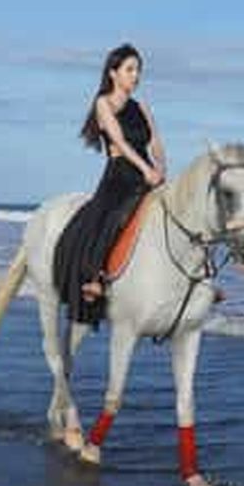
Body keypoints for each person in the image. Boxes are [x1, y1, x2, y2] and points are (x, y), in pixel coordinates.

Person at [53, 43, 166, 326]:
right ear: (114, 73)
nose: (135, 76)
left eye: (138, 70)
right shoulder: (103, 103)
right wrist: (145, 169)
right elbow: (120, 142)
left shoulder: (142, 107)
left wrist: (161, 168)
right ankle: (96, 279)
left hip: (148, 172)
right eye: (130, 69)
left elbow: (155, 141)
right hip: (120, 175)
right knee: (115, 217)